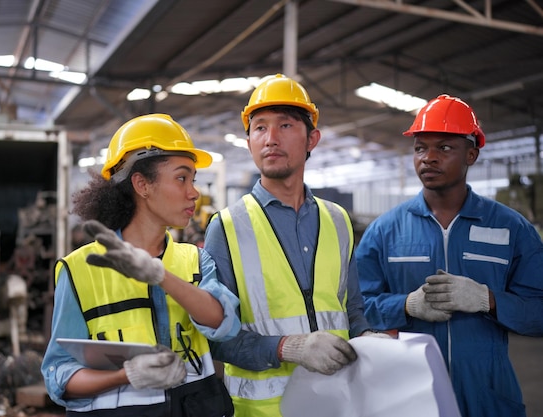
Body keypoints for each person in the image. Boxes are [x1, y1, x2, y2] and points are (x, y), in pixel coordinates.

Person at [203, 74, 390, 417]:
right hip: (262, 410)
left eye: (286, 125)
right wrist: (290, 347)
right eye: (259, 128)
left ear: (312, 139)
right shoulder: (226, 227)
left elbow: (351, 310)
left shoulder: (338, 220)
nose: (270, 138)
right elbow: (217, 338)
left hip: (338, 402)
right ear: (249, 143)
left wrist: (368, 340)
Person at [355, 94, 543, 417]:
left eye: (443, 147)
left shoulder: (512, 229)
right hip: (409, 396)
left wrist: (489, 300)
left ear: (471, 154)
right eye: (419, 148)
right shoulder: (384, 232)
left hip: (489, 395)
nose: (428, 158)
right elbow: (355, 309)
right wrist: (406, 305)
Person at [41, 113, 240, 416]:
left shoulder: (195, 260)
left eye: (193, 180)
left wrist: (161, 276)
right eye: (181, 178)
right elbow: (59, 375)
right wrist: (126, 375)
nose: (194, 192)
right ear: (142, 184)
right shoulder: (79, 270)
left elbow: (223, 323)